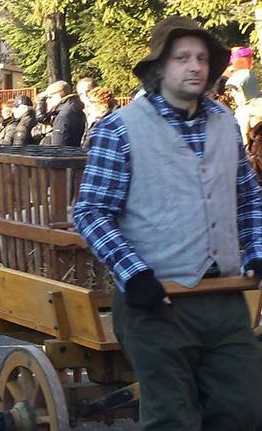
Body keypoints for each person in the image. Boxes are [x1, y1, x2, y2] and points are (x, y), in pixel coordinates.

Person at [73, 16, 262, 430]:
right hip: (156, 304)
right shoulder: (119, 129)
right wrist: (134, 274)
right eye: (182, 58)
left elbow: (248, 199)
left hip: (223, 297)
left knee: (243, 412)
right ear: (159, 68)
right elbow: (90, 212)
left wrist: (257, 251)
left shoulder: (224, 123)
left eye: (201, 58)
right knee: (172, 418)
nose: (195, 67)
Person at [36, 81, 86, 147]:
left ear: (58, 95)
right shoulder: (76, 108)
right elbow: (42, 118)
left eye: (49, 97)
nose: (47, 101)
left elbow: (58, 148)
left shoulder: (63, 115)